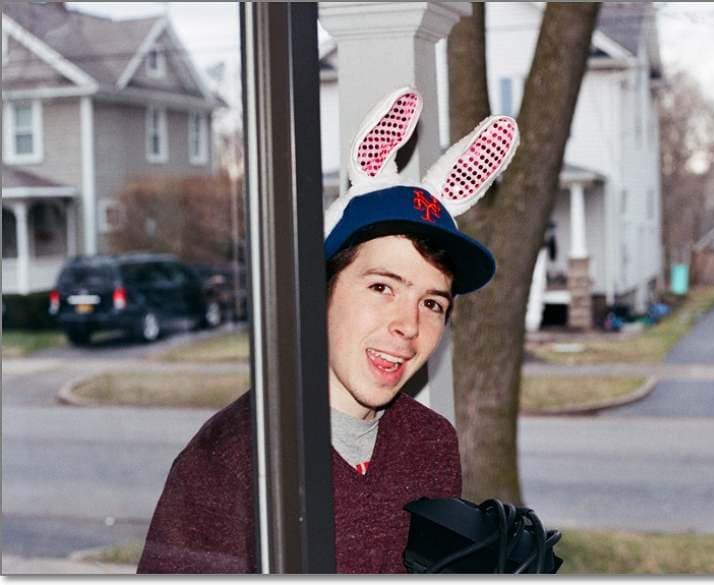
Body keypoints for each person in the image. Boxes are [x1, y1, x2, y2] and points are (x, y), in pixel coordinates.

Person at [137, 87, 519, 574]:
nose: (408, 325)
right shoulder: (234, 459)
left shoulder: (431, 443)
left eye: (431, 303)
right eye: (382, 287)